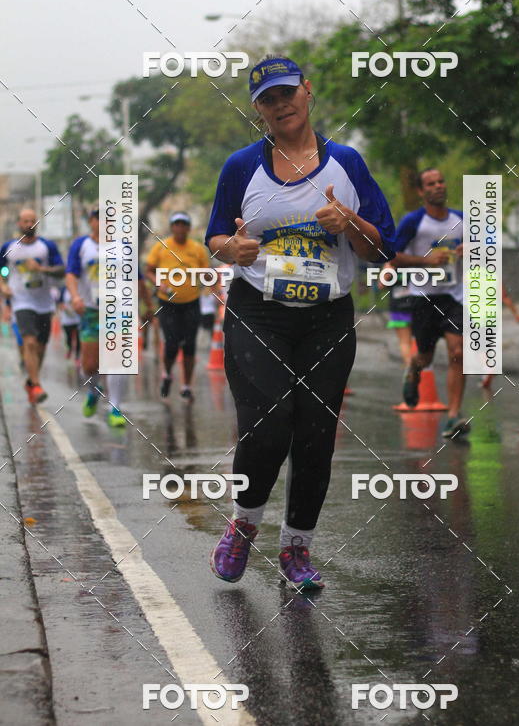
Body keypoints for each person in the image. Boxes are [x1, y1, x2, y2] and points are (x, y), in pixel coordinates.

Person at [206, 55, 395, 590]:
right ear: (257, 110)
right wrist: (234, 249)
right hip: (258, 311)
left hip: (327, 317)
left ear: (308, 92)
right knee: (268, 422)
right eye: (267, 99)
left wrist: (349, 222)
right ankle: (244, 523)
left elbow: (381, 248)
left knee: (315, 435)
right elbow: (216, 238)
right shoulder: (240, 166)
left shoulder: (347, 165)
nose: (281, 104)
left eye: (288, 92)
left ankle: (296, 548)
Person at [392, 168, 469, 439]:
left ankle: (453, 416)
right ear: (421, 191)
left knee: (458, 351)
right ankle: (413, 369)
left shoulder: (461, 219)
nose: (438, 186)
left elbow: (484, 249)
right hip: (424, 297)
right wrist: (427, 261)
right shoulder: (413, 222)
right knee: (425, 357)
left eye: (441, 181)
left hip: (455, 296)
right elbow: (393, 256)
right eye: (431, 184)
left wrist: (468, 249)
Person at [66, 208, 151, 428]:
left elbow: (138, 280)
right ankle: (94, 391)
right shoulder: (81, 245)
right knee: (90, 364)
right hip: (91, 310)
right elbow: (71, 275)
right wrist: (75, 297)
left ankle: (115, 407)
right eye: (100, 219)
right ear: (91, 222)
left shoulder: (125, 248)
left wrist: (147, 305)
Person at [0, 209, 64, 403]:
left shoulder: (47, 247)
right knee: (29, 342)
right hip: (21, 301)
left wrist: (42, 268)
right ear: (19, 224)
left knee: (41, 347)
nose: (29, 224)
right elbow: (1, 272)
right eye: (25, 221)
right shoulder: (8, 248)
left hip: (44, 302)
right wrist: (3, 286)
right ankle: (36, 386)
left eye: (32, 221)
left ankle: (31, 381)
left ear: (37, 224)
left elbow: (61, 271)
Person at [146, 212, 209, 401]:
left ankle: (186, 385)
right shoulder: (161, 247)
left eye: (184, 224)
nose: (180, 228)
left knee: (189, 345)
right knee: (172, 344)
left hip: (191, 303)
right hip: (168, 303)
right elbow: (149, 271)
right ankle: (167, 374)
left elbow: (207, 274)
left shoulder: (197, 249)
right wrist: (159, 283)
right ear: (172, 227)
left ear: (188, 228)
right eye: (176, 224)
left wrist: (209, 280)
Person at [379, 262, 413, 367]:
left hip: (399, 306)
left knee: (404, 341)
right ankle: (415, 368)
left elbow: (381, 285)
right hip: (415, 304)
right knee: (416, 340)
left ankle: (410, 368)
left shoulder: (391, 262)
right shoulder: (418, 258)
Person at [57, 285, 81, 363]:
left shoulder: (80, 287)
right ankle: (69, 348)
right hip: (67, 319)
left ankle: (77, 356)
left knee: (78, 338)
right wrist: (63, 307)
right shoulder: (63, 289)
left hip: (78, 318)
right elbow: (59, 302)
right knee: (69, 337)